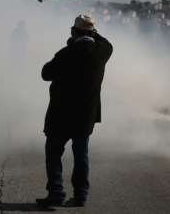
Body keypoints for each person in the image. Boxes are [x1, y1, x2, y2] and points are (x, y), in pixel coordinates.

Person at [36, 15, 113, 207]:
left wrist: (71, 43)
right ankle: (81, 195)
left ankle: (56, 192)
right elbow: (104, 41)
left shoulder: (66, 53)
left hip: (60, 115)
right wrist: (90, 31)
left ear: (75, 33)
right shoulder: (103, 51)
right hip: (85, 116)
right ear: (93, 33)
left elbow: (46, 73)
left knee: (54, 154)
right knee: (81, 155)